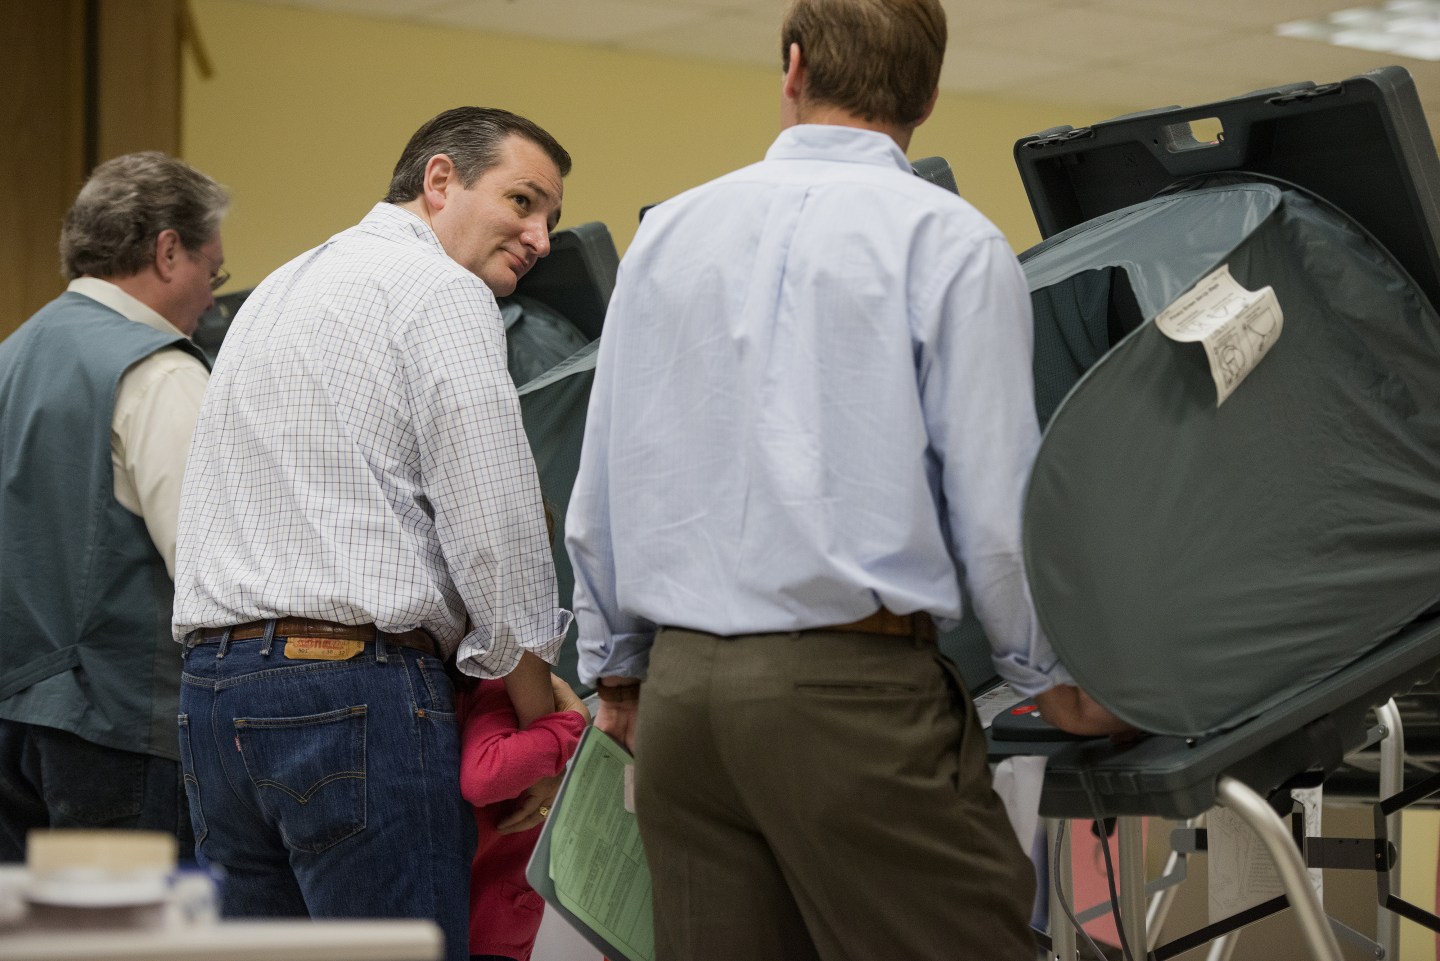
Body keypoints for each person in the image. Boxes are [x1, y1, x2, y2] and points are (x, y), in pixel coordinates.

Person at [564, 1, 1130, 957]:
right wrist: (1057, 676)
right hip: (848, 700)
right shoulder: (950, 242)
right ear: (931, 93)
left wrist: (614, 670)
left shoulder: (669, 231)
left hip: (682, 707)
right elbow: (997, 508)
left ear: (792, 68)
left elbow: (608, 469)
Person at [171, 107, 573, 961]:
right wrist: (540, 712)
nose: (539, 236)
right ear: (439, 181)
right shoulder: (442, 292)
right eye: (523, 200)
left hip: (213, 696)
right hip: (352, 695)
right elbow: (495, 524)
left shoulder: (277, 288)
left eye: (551, 219)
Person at [0, 152, 227, 862]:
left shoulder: (11, 356)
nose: (212, 302)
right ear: (167, 250)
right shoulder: (158, 369)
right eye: (211, 274)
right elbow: (211, 570)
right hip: (120, 731)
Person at [458, 674, 589, 961]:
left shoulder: (500, 683)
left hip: (492, 915)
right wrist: (576, 720)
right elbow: (486, 777)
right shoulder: (499, 680)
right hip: (492, 916)